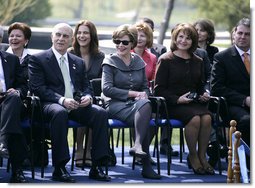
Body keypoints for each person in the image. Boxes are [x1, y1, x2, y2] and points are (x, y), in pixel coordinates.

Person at [28, 23, 111, 182]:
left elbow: (86, 86)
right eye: (58, 35)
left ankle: (97, 166)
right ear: (51, 37)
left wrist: (88, 97)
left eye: (65, 36)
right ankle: (59, 168)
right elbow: (38, 88)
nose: (61, 39)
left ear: (71, 39)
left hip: (75, 105)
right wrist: (62, 100)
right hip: (49, 104)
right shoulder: (38, 59)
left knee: (100, 113)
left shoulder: (77, 61)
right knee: (59, 113)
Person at [101, 24, 161, 179]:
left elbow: (144, 87)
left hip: (136, 105)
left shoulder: (138, 61)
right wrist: (134, 94)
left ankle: (138, 146)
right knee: (145, 113)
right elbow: (107, 89)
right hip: (114, 104)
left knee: (146, 105)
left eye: (125, 42)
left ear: (132, 44)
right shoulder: (109, 61)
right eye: (117, 41)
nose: (120, 45)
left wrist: (144, 95)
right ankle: (145, 164)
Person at [154, 23, 214, 175]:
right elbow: (158, 89)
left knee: (207, 118)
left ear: (193, 41)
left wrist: (204, 93)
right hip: (172, 104)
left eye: (188, 38)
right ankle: (193, 156)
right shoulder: (165, 59)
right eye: (180, 37)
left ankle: (202, 156)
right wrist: (177, 99)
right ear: (175, 38)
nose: (184, 40)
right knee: (194, 119)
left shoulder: (198, 60)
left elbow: (200, 85)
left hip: (193, 102)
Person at [68, 20, 105, 168]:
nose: (82, 36)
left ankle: (88, 150)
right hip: (72, 97)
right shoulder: (69, 53)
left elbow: (102, 81)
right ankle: (79, 149)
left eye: (86, 33)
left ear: (92, 36)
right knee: (82, 105)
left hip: (94, 97)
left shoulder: (100, 56)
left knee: (92, 107)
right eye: (79, 33)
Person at [141, 17, 179, 157]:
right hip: (129, 95)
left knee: (156, 110)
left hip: (148, 94)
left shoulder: (153, 57)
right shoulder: (127, 52)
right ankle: (138, 147)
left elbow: (155, 79)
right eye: (137, 34)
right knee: (141, 109)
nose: (139, 38)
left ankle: (144, 149)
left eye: (144, 34)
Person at [210, 18, 250, 148]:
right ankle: (244, 162)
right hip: (233, 105)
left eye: (247, 34)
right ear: (234, 34)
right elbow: (217, 88)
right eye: (240, 33)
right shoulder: (222, 58)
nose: (242, 37)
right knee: (248, 121)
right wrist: (245, 100)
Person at [0, 25, 29, 183]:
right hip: (9, 113)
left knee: (13, 101)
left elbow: (23, 85)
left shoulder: (10, 59)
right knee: (13, 124)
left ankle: (3, 141)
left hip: (7, 102)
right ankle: (17, 171)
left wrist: (16, 91)